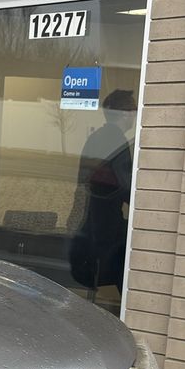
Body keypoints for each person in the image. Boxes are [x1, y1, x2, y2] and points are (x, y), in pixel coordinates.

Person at [68, 88, 136, 298]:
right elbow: (125, 186)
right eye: (133, 111)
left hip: (92, 220)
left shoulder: (96, 137)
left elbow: (85, 178)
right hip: (106, 223)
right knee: (131, 258)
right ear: (124, 114)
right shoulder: (117, 141)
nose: (135, 116)